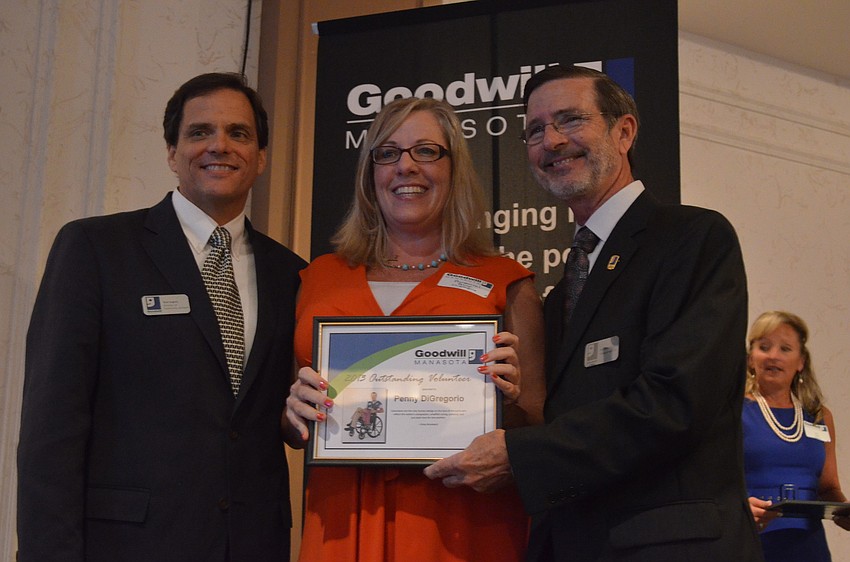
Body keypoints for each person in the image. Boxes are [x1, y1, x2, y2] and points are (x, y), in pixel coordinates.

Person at [425, 65, 763, 561]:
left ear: (623, 131)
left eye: (570, 120)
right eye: (535, 131)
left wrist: (519, 455)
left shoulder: (692, 239)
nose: (552, 141)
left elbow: (673, 404)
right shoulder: (563, 291)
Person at [17, 72, 306, 562]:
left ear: (260, 157)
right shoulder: (96, 249)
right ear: (172, 153)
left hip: (254, 544)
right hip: (128, 545)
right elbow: (52, 430)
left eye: (239, 133)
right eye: (200, 132)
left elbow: (280, 414)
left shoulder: (293, 273)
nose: (220, 145)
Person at [284, 96, 546, 561]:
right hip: (341, 522)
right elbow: (291, 423)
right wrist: (294, 412)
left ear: (453, 168)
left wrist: (505, 404)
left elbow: (537, 424)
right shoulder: (318, 278)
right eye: (388, 153)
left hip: (460, 525)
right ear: (371, 173)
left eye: (425, 150)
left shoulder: (506, 281)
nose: (406, 167)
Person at [744, 311, 850, 561]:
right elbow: (713, 482)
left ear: (801, 361)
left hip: (808, 547)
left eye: (785, 348)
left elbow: (829, 487)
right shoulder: (730, 413)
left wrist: (845, 513)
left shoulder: (819, 416)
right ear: (750, 359)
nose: (773, 355)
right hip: (750, 542)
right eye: (764, 346)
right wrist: (739, 508)